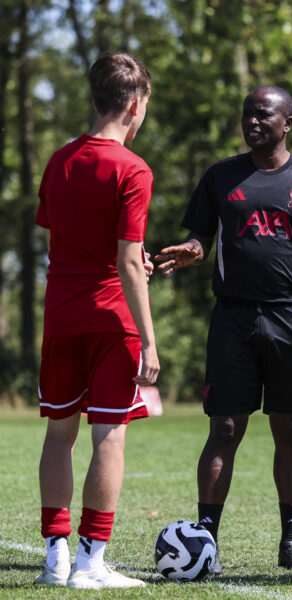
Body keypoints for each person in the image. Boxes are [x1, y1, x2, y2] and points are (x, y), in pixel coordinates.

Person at [156, 85, 292, 573]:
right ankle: (205, 544)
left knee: (290, 428)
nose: (252, 121)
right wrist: (192, 249)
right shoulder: (220, 176)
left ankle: (291, 542)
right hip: (232, 318)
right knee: (225, 427)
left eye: (263, 114)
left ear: (287, 123)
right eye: (247, 113)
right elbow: (200, 237)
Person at [34, 52, 159, 589]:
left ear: (95, 99)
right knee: (108, 434)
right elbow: (127, 261)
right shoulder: (133, 168)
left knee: (59, 433)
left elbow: (66, 240)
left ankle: (55, 557)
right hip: (112, 319)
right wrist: (149, 340)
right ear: (135, 105)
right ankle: (91, 563)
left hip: (61, 316)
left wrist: (123, 258)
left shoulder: (59, 161)